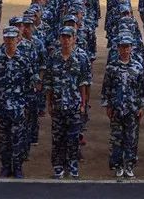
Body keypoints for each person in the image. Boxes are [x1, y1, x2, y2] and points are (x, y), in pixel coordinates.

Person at [43, 26, 90, 179]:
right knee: (58, 139)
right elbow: (48, 82)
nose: (66, 40)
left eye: (68, 37)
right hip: (57, 106)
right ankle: (58, 166)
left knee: (73, 138)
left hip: (74, 105)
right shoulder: (54, 57)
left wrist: (83, 104)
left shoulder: (81, 58)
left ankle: (73, 166)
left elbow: (83, 83)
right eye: (63, 37)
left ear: (74, 39)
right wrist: (48, 103)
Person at [101, 35, 144, 179]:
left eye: (127, 47)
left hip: (132, 109)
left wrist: (141, 106)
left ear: (131, 48)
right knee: (117, 138)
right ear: (118, 48)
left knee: (131, 139)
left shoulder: (138, 67)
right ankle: (118, 165)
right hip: (117, 108)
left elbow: (142, 89)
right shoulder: (112, 67)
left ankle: (129, 165)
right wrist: (108, 105)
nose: (125, 49)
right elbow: (106, 88)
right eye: (122, 47)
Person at [0, 26, 30, 178]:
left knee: (17, 139)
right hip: (2, 107)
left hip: (18, 108)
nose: (10, 41)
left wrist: (24, 105)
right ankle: (5, 167)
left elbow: (29, 85)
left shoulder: (23, 60)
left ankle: (18, 167)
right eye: (7, 39)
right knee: (3, 140)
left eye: (13, 38)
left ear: (17, 39)